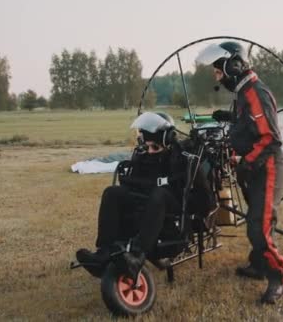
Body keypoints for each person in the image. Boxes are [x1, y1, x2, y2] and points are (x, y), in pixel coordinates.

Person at [196, 41, 283, 304]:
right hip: (253, 167)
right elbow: (248, 126)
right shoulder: (242, 92)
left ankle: (277, 277)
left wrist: (244, 161)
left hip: (267, 167)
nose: (217, 76)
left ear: (234, 65)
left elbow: (270, 140)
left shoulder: (254, 93)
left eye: (218, 70)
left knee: (258, 227)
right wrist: (228, 122)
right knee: (255, 221)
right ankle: (258, 265)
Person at [76, 112, 214, 279]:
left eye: (155, 147)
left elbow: (205, 202)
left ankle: (136, 257)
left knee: (159, 194)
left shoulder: (182, 160)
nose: (149, 151)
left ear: (168, 142)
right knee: (112, 192)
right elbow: (132, 184)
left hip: (172, 216)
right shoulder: (143, 157)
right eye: (146, 146)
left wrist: (197, 218)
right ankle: (104, 253)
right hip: (144, 209)